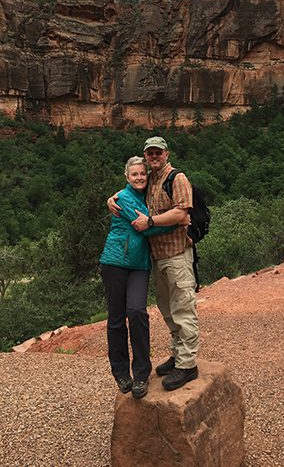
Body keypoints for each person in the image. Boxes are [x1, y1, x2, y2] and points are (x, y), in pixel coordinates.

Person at [109, 136, 200, 391]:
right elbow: (128, 190)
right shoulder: (150, 180)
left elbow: (182, 213)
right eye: (150, 154)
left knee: (183, 308)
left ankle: (188, 365)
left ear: (167, 154)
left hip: (177, 254)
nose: (154, 157)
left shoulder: (177, 178)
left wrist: (150, 222)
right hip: (157, 257)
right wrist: (111, 199)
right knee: (169, 310)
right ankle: (178, 355)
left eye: (158, 153)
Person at [99, 155, 175, 399]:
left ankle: (141, 374)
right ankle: (121, 373)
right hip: (115, 262)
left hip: (139, 264)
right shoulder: (123, 198)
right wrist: (179, 218)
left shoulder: (150, 195)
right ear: (127, 177)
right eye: (135, 174)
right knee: (117, 318)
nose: (140, 177)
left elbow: (154, 213)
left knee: (137, 312)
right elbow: (146, 225)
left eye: (143, 174)